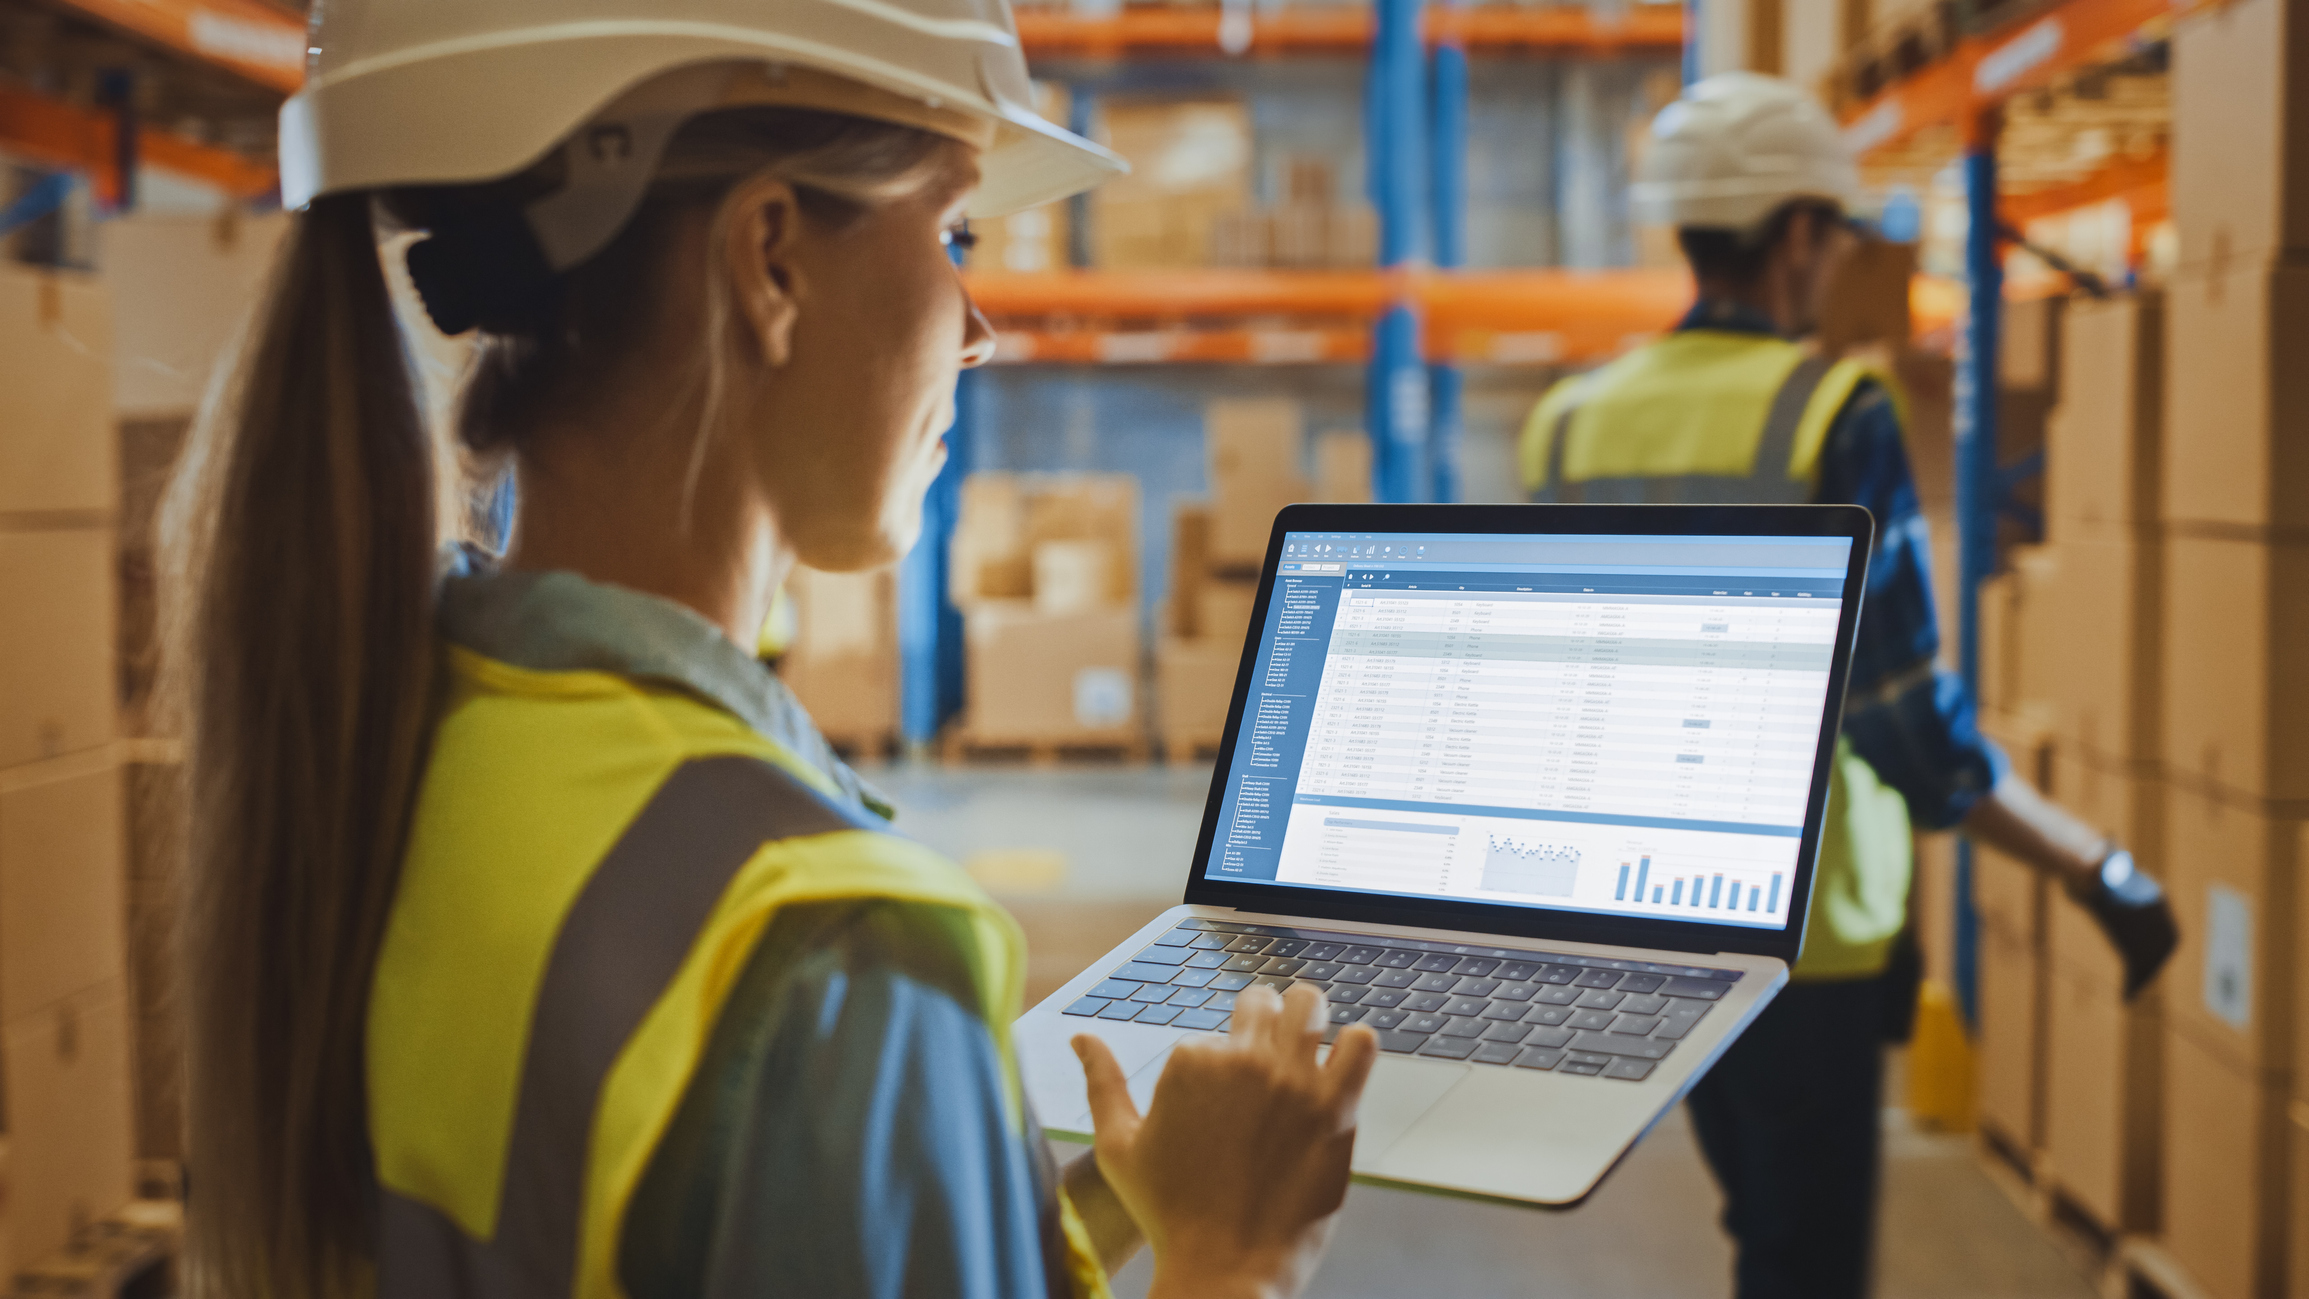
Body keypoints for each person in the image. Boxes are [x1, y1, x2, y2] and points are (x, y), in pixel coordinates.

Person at [158, 1, 1379, 1296]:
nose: (980, 326)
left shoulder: (385, 729)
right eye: (954, 230)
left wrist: (1086, 1195)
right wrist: (1233, 1252)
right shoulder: (832, 950)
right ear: (772, 261)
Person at [1518, 71, 2179, 1299]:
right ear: (1801, 234)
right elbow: (1905, 726)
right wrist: (2099, 870)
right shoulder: (1832, 413)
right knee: (1803, 1261)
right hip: (1801, 937)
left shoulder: (1565, 423)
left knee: (1755, 1224)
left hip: (1634, 925)